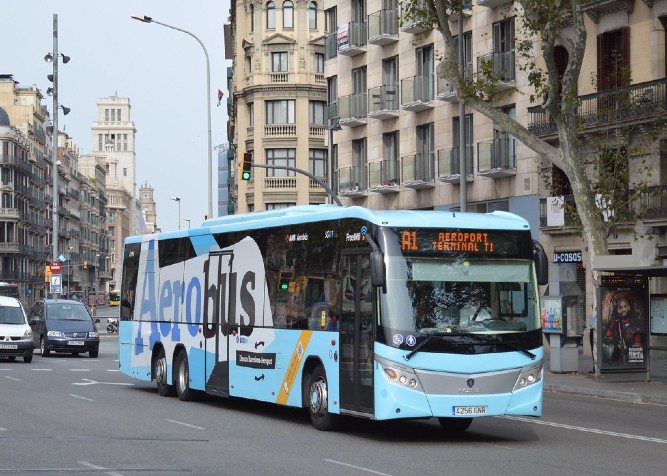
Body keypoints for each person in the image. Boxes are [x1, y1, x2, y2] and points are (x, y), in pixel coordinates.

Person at [603, 294, 643, 364]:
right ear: (617, 310)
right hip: (618, 357)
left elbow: (639, 343)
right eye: (620, 307)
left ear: (629, 307)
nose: (623, 309)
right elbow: (606, 338)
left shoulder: (635, 323)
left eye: (625, 306)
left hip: (633, 357)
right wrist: (614, 341)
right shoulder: (614, 324)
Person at [588, 306, 596, 373]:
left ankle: (595, 367)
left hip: (593, 331)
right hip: (593, 332)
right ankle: (594, 366)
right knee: (593, 350)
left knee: (594, 350)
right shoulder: (592, 314)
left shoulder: (593, 314)